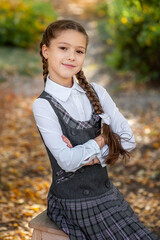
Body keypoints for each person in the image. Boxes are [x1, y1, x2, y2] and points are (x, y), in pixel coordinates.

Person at [32, 19, 159, 240]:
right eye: (63, 48)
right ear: (46, 51)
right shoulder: (44, 105)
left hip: (106, 193)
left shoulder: (97, 92)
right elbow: (67, 162)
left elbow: (128, 140)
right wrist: (101, 141)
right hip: (72, 203)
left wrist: (89, 156)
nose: (72, 56)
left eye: (79, 51)